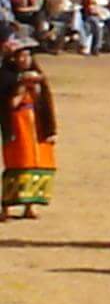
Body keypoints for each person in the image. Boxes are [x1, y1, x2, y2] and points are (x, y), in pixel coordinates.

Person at [0, 40, 56, 218]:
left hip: (37, 127)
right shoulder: (5, 77)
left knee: (38, 163)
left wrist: (51, 130)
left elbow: (47, 104)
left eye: (27, 55)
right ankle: (6, 207)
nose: (25, 59)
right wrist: (21, 86)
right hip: (17, 125)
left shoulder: (39, 75)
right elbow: (7, 105)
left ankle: (30, 205)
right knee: (18, 164)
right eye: (21, 56)